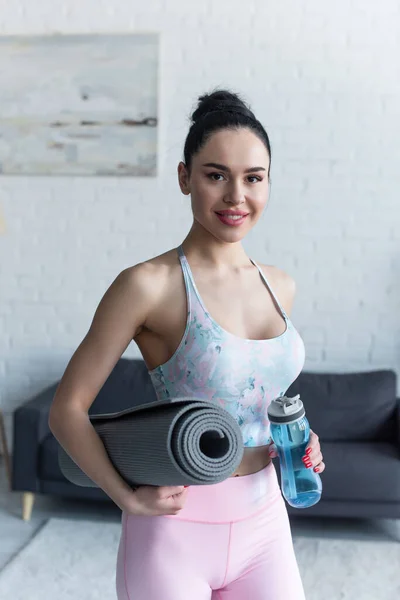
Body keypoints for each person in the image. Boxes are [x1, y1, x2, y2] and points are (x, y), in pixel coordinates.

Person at [49, 89, 325, 600]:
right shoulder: (147, 285)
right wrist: (126, 497)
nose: (236, 196)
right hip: (175, 528)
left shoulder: (280, 286)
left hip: (266, 520)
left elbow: (263, 393)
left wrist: (303, 439)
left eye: (253, 178)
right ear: (185, 178)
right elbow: (67, 409)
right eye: (216, 175)